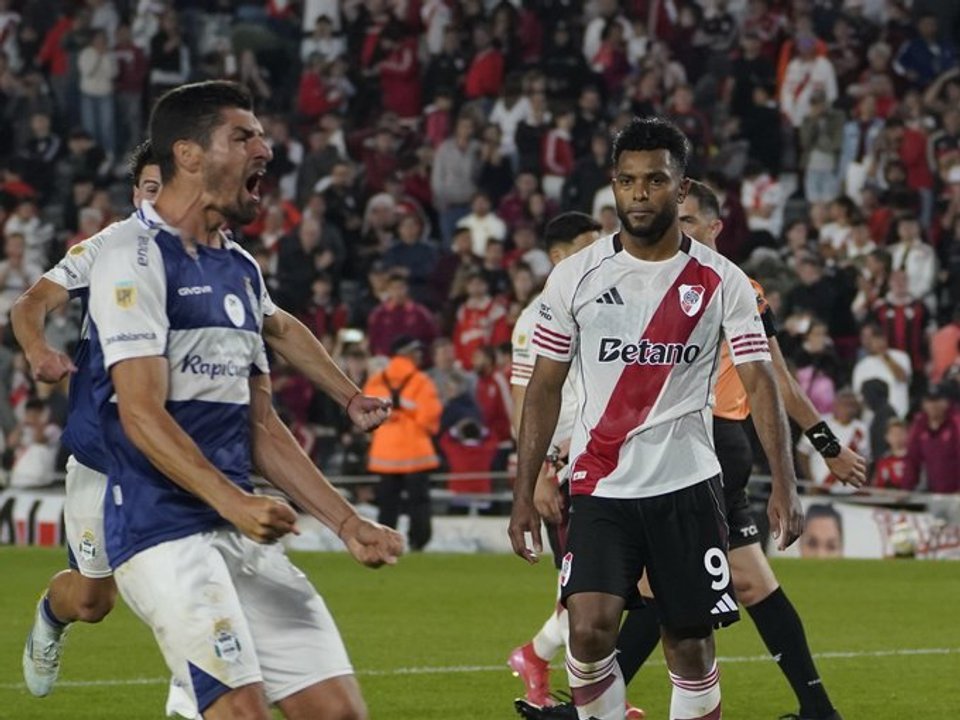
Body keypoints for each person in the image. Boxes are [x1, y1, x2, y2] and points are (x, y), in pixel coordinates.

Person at [70, 82, 403, 720]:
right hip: (159, 526)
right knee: (240, 710)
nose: (265, 149)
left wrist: (348, 524)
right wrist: (233, 499)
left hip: (239, 526)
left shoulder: (241, 270)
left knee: (340, 713)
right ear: (189, 155)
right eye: (244, 136)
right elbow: (140, 414)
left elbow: (262, 428)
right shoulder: (129, 255)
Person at [518, 180, 864, 720]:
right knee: (697, 590)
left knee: (690, 596)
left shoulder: (733, 285)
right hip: (665, 456)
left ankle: (588, 694)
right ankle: (816, 706)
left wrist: (822, 443)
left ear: (715, 227)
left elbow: (773, 375)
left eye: (692, 219)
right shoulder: (635, 280)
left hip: (710, 449)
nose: (680, 226)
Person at [506, 212, 643, 714]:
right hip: (564, 471)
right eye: (590, 246)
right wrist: (539, 472)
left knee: (606, 590)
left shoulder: (600, 303)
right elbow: (524, 402)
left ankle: (537, 657)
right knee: (587, 595)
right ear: (561, 257)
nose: (603, 252)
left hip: (605, 461)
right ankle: (597, 702)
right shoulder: (537, 315)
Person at [363, 336, 442, 550]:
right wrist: (410, 411)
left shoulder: (377, 381)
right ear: (406, 354)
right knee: (419, 503)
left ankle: (386, 544)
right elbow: (430, 418)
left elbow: (366, 413)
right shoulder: (421, 381)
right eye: (416, 352)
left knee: (387, 504)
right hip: (416, 452)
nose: (419, 356)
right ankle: (418, 542)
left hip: (384, 454)